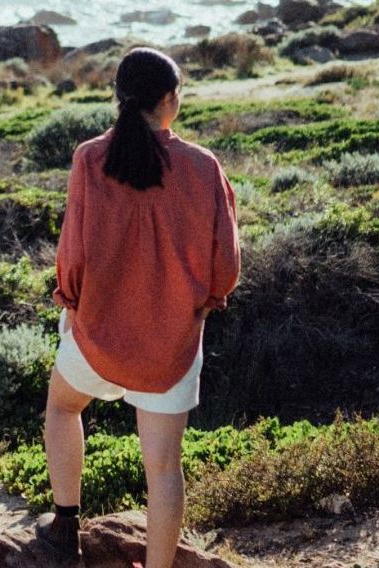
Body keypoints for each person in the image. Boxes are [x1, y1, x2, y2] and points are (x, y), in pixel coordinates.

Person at [40, 47, 241, 568]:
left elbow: (73, 253)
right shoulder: (202, 166)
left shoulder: (89, 157)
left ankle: (65, 528)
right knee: (164, 469)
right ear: (170, 100)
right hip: (172, 340)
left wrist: (71, 302)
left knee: (63, 406)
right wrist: (206, 301)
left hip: (98, 333)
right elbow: (227, 261)